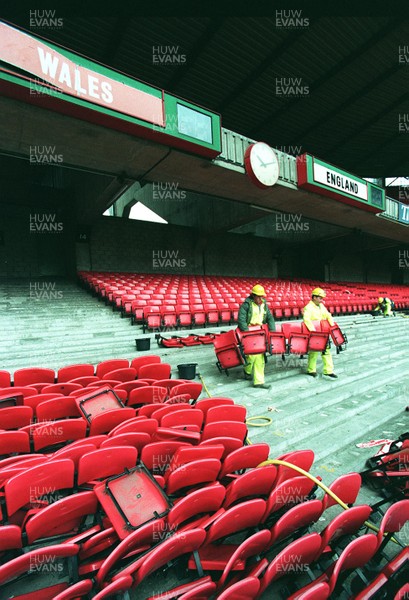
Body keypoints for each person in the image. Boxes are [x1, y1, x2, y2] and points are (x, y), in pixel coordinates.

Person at [237, 284, 276, 389]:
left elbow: (270, 318)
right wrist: (246, 332)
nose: (260, 299)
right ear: (253, 295)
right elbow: (241, 319)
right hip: (248, 332)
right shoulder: (246, 305)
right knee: (251, 356)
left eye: (262, 297)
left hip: (259, 332)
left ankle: (259, 382)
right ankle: (247, 371)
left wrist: (272, 330)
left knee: (260, 356)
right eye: (258, 296)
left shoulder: (264, 305)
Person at [303, 287, 338, 379]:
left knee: (326, 351)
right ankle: (311, 370)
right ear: (314, 297)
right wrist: (313, 331)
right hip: (315, 332)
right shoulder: (308, 307)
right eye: (320, 298)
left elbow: (328, 315)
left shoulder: (321, 306)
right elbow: (306, 320)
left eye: (322, 298)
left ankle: (328, 371)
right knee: (314, 351)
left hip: (323, 332)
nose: (322, 300)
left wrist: (332, 326)